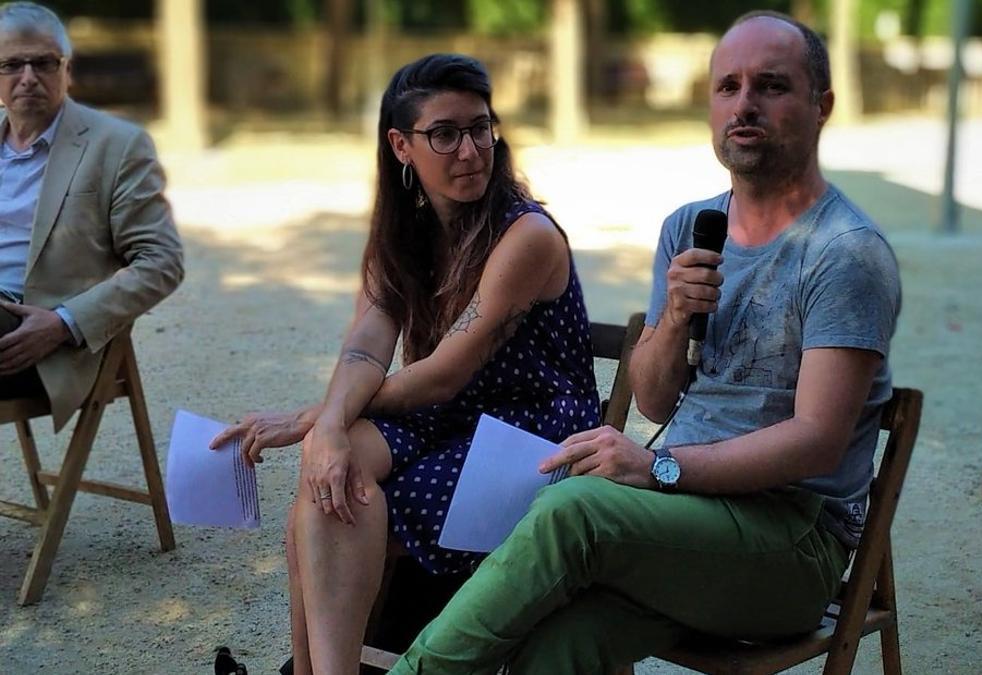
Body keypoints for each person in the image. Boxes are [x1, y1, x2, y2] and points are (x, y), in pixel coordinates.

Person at [388, 11, 902, 674]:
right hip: (687, 520)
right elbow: (657, 400)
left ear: (821, 105)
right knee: (555, 645)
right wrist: (676, 317)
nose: (744, 104)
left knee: (575, 510)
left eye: (771, 85)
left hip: (791, 541)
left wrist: (658, 469)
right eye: (728, 87)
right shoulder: (689, 226)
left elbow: (817, 441)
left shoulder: (845, 253)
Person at [212, 54, 600, 675]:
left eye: (480, 128)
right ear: (401, 145)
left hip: (529, 434)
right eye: (444, 134)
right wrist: (331, 430)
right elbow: (365, 345)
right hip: (445, 418)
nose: (470, 150)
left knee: (344, 491)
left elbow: (445, 370)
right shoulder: (406, 230)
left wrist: (315, 418)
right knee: (333, 470)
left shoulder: (525, 236)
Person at [0, 1, 183, 428]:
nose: (28, 77)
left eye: (43, 62)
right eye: (12, 64)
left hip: (39, 337)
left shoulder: (116, 146)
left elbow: (163, 262)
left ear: (66, 69)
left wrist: (64, 323)